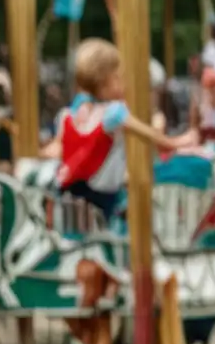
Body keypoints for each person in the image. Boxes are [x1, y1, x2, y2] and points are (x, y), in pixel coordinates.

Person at [55, 37, 196, 217]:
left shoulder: (73, 112)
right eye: (119, 77)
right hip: (100, 194)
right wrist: (182, 140)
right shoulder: (114, 113)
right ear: (106, 80)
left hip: (71, 188)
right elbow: (154, 138)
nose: (125, 83)